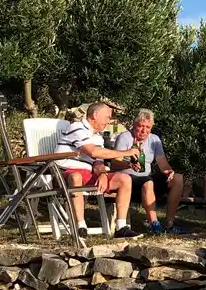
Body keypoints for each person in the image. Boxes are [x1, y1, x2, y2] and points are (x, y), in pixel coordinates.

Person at [53, 101, 140, 240]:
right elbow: (93, 152)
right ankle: (80, 226)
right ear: (95, 115)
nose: (109, 121)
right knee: (76, 177)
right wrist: (127, 152)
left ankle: (121, 227)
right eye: (107, 117)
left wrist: (104, 174)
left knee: (125, 179)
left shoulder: (98, 137)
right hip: (66, 172)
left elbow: (98, 161)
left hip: (88, 173)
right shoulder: (76, 127)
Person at [112, 108, 187, 235]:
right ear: (134, 125)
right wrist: (129, 164)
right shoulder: (125, 137)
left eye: (147, 127)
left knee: (177, 179)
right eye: (141, 126)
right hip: (129, 179)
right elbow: (114, 163)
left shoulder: (154, 139)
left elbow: (162, 162)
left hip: (147, 177)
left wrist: (169, 171)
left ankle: (169, 224)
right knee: (148, 182)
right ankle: (154, 224)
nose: (144, 130)